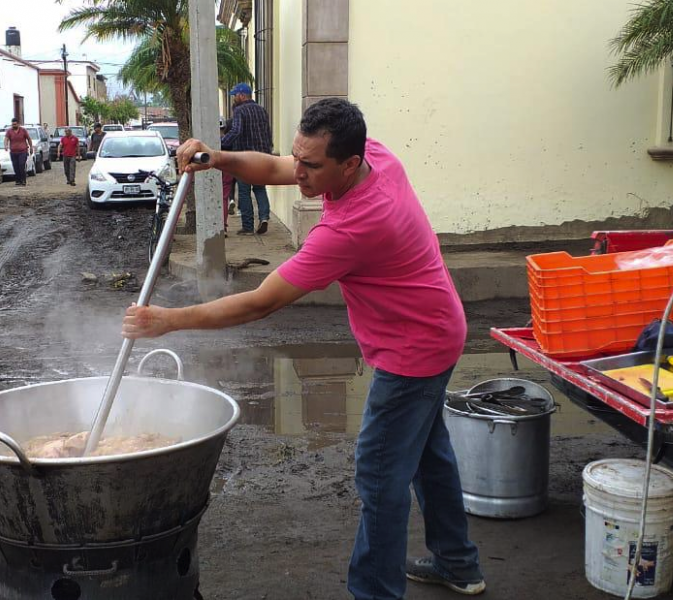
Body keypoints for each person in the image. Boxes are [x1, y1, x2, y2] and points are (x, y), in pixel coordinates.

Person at [122, 98, 486, 599]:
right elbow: (274, 167)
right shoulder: (368, 154)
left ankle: (377, 592)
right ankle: (458, 563)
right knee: (428, 454)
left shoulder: (353, 227)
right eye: (301, 158)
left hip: (414, 351)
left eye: (312, 166)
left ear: (349, 163)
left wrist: (168, 321)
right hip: (439, 327)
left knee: (380, 475)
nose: (300, 173)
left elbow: (259, 303)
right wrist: (219, 159)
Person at [221, 82, 272, 236]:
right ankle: (264, 217)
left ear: (242, 95)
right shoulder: (262, 110)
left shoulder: (239, 110)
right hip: (262, 156)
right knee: (259, 188)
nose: (234, 99)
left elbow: (236, 131)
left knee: (244, 191)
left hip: (244, 157)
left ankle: (248, 227)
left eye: (235, 95)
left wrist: (221, 143)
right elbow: (268, 133)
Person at [3, 118, 33, 187]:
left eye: (15, 124)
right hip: (13, 152)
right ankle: (18, 180)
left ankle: (23, 180)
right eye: (13, 124)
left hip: (23, 151)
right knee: (15, 166)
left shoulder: (23, 130)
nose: (14, 125)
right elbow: (6, 139)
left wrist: (31, 147)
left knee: (21, 165)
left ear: (18, 124)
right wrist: (5, 145)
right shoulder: (9, 131)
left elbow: (28, 139)